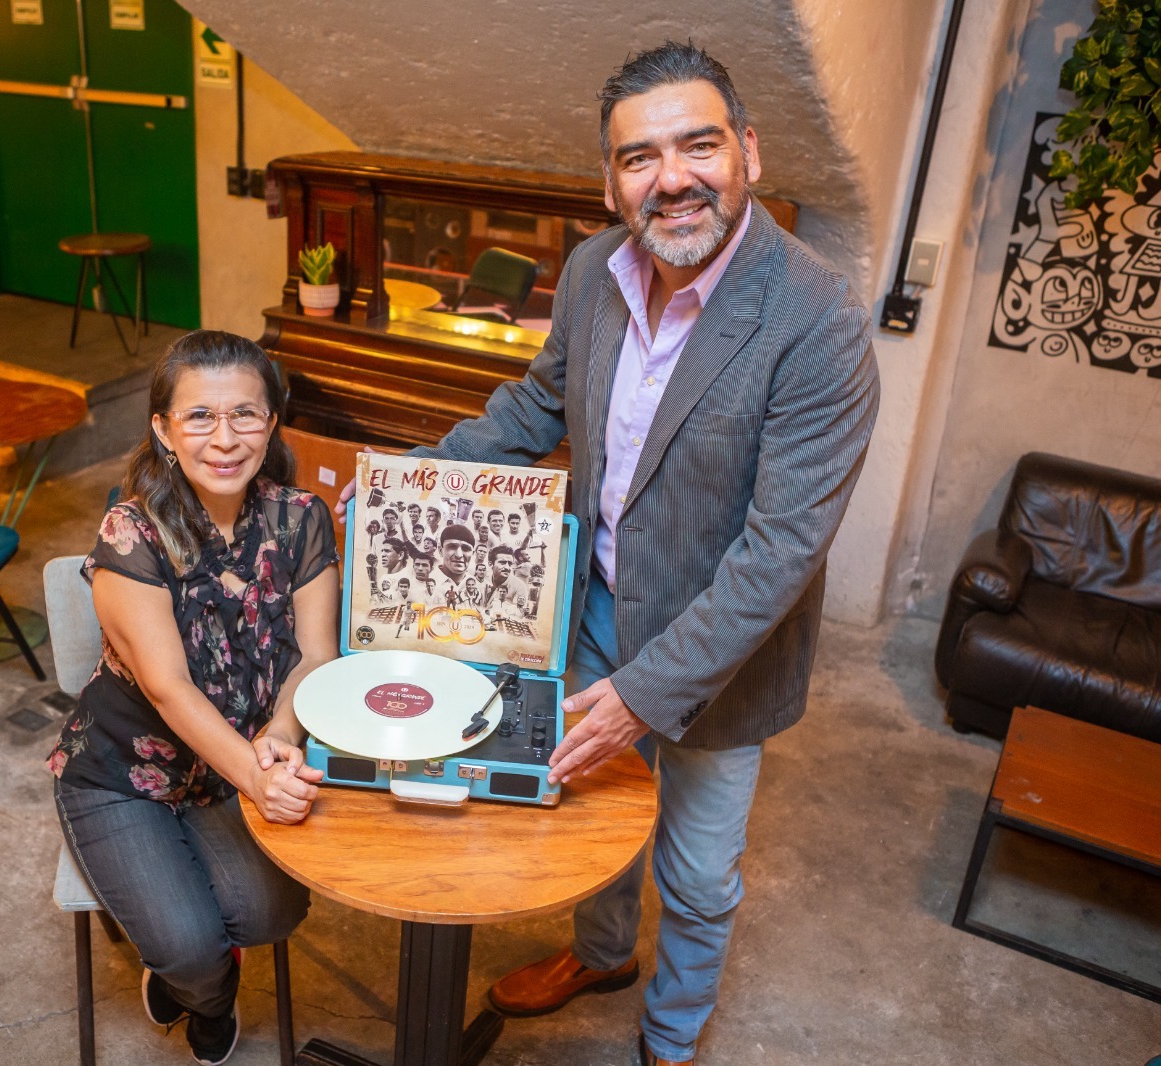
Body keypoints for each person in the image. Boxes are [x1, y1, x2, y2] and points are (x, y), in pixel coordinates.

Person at [339, 41, 878, 1066]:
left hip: (726, 652)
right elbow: (536, 405)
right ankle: (600, 954)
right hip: (592, 603)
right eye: (640, 157)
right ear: (610, 181)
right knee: (584, 815)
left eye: (698, 146)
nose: (672, 178)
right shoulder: (592, 271)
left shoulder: (819, 321)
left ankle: (669, 1037)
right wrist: (407, 479)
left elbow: (781, 551)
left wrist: (644, 694)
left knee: (699, 872)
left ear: (749, 151)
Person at [51, 330, 340, 1066]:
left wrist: (280, 735)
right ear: (163, 428)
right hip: (124, 772)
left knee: (274, 913)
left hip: (233, 767)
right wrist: (259, 779)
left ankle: (194, 965)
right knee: (189, 948)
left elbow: (317, 655)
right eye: (200, 416)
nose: (225, 438)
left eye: (245, 414)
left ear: (271, 422)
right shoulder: (132, 531)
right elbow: (167, 686)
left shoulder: (301, 517)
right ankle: (205, 993)